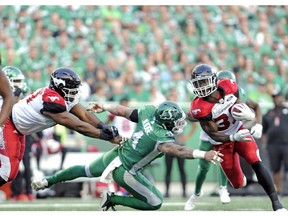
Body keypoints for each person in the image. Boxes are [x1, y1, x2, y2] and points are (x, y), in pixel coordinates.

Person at [31, 101, 223, 211]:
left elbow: (121, 111)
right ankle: (112, 199)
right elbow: (179, 150)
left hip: (118, 152)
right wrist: (203, 153)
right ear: (166, 123)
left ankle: (48, 181)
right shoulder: (160, 137)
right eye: (177, 121)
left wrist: (104, 106)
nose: (180, 125)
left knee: (85, 170)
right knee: (155, 202)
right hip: (125, 170)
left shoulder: (148, 112)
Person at [188, 63, 286, 212]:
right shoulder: (199, 107)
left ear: (214, 80)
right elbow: (214, 134)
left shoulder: (229, 86)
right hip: (221, 141)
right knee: (237, 183)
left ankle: (276, 204)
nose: (201, 86)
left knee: (256, 162)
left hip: (239, 129)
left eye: (203, 81)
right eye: (198, 83)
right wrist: (234, 137)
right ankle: (239, 179)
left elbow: (254, 106)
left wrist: (255, 122)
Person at [0, 67, 120, 187]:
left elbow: (85, 115)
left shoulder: (61, 96)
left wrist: (103, 126)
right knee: (7, 172)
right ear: (60, 87)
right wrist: (104, 136)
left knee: (12, 171)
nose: (75, 92)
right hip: (8, 124)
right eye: (72, 89)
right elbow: (78, 126)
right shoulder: (51, 100)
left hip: (19, 129)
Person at [262, 89, 288, 195]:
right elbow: (264, 130)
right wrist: (264, 144)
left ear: (281, 97)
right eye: (274, 97)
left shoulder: (286, 110)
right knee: (275, 168)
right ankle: (279, 190)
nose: (276, 99)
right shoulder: (268, 113)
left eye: (277, 96)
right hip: (273, 144)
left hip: (286, 143)